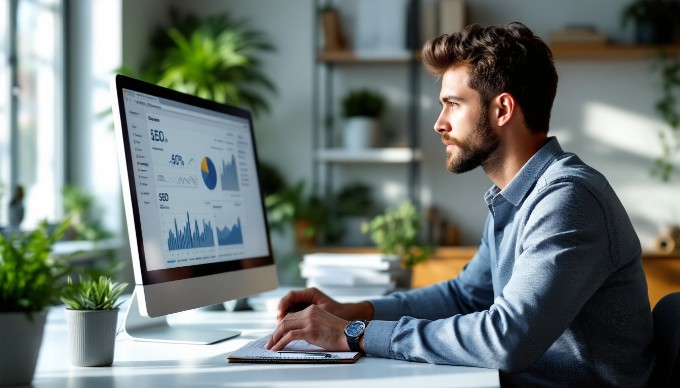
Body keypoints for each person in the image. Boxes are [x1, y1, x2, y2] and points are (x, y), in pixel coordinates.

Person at [266, 22, 655, 386]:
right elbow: (465, 296)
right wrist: (357, 312)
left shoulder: (568, 199)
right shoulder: (516, 197)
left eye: (453, 104)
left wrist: (356, 335)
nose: (439, 123)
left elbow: (506, 340)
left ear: (502, 109)